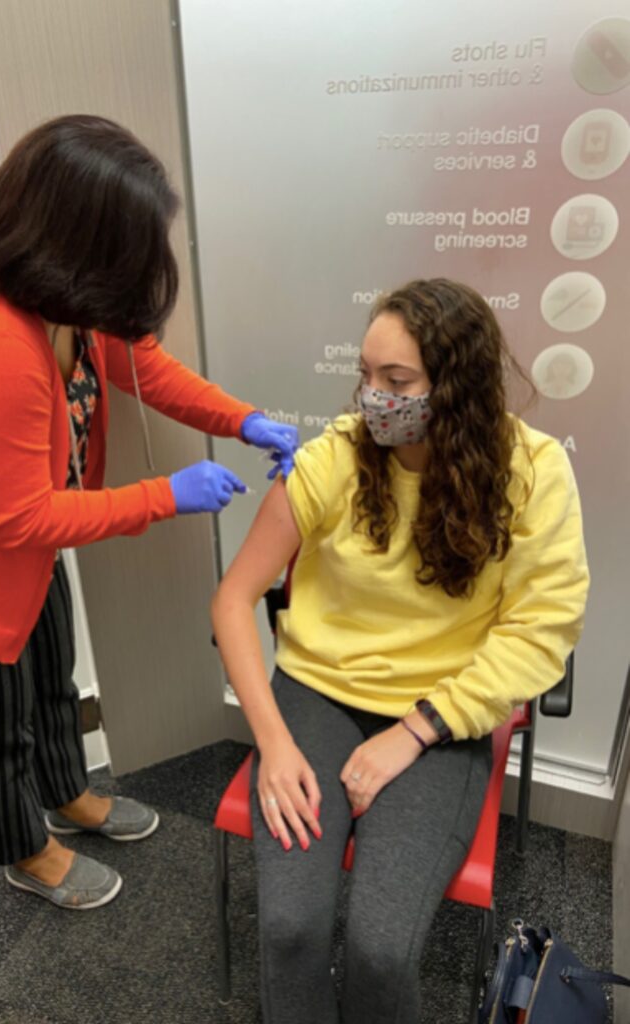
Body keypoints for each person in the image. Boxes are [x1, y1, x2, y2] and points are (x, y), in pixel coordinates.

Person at [0, 115, 297, 911]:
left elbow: (144, 366)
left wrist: (240, 419)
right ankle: (23, 850)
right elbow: (17, 520)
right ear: (78, 243)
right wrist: (165, 497)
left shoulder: (60, 299)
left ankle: (67, 795)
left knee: (50, 685)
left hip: (18, 547)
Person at [211, 278, 589, 1023]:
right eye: (366, 376)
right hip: (316, 696)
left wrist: (416, 730)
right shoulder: (336, 458)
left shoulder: (534, 472)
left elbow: (541, 629)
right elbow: (231, 599)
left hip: (443, 715)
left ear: (457, 386)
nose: (373, 398)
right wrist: (273, 742)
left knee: (382, 949)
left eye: (397, 381)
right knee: (289, 929)